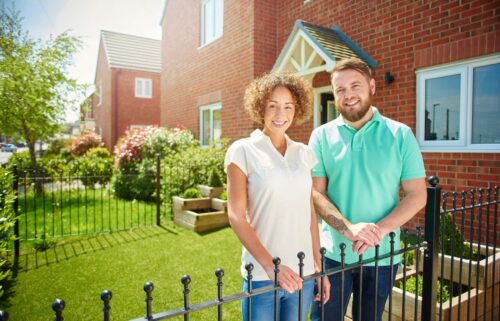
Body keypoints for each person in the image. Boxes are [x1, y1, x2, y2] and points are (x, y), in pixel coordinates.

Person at [309, 57, 427, 321]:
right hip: (333, 255)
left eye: (355, 86)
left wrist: (379, 230)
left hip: (382, 255)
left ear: (372, 86)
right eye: (340, 90)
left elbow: (418, 194)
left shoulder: (401, 135)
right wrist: (349, 229)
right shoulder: (321, 136)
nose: (348, 95)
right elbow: (317, 193)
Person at [225, 72, 330, 321]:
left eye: (287, 106)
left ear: (297, 109)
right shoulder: (242, 151)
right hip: (262, 278)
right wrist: (273, 268)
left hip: (301, 275)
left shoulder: (304, 153)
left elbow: (309, 214)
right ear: (261, 107)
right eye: (273, 106)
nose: (280, 114)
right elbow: (236, 215)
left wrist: (319, 267)